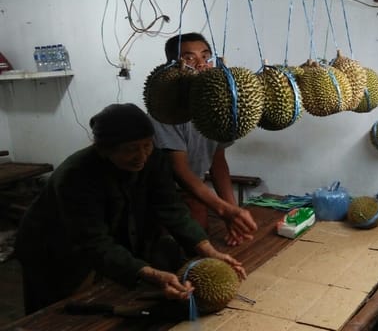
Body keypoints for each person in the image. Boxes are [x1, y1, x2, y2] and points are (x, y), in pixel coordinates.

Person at [15, 103, 246, 315]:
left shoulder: (153, 160)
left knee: (107, 288)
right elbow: (94, 242)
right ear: (103, 149)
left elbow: (172, 209)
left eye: (147, 145)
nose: (141, 156)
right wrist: (151, 274)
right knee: (56, 311)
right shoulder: (75, 176)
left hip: (99, 238)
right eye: (131, 149)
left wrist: (209, 251)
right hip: (52, 246)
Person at [149, 33, 257, 247]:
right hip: (163, 195)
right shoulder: (165, 110)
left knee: (201, 240)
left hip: (196, 191)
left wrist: (231, 211)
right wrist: (223, 210)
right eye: (189, 58)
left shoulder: (214, 106)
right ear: (173, 66)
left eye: (205, 57)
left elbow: (218, 162)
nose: (201, 64)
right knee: (173, 249)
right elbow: (179, 171)